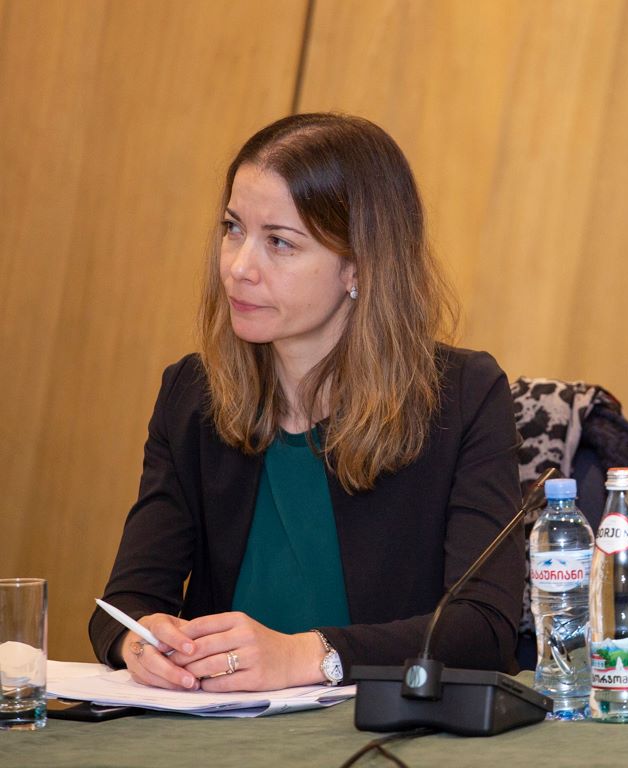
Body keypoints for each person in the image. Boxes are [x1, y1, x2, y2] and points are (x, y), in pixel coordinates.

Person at [88, 113, 524, 692]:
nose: (239, 268)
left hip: (379, 730)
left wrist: (308, 656)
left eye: (279, 243)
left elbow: (485, 629)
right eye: (233, 229)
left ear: (359, 266)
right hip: (216, 727)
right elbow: (124, 602)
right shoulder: (191, 394)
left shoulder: (462, 396)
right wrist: (140, 641)